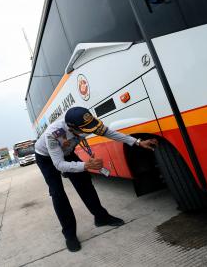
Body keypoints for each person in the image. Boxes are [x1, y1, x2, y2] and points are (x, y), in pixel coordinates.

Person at [34, 106, 158, 252]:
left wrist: (137, 142)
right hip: (46, 158)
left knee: (85, 183)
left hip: (67, 153)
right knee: (58, 193)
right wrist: (85, 165)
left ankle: (101, 217)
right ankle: (69, 234)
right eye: (85, 130)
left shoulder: (86, 124)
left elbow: (109, 132)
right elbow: (59, 164)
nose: (90, 130)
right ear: (72, 128)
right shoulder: (54, 134)